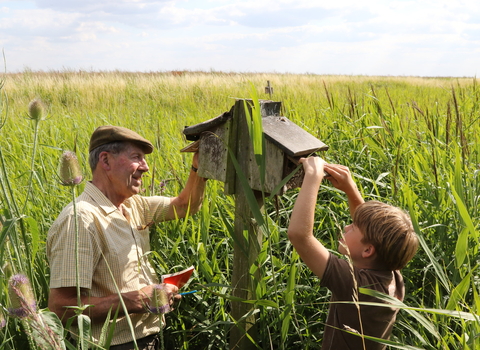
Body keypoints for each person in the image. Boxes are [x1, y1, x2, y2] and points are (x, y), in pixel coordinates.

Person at [47, 125, 207, 349]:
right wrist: (137, 300)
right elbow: (60, 308)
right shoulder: (80, 219)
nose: (146, 167)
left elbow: (184, 206)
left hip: (147, 339)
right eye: (136, 158)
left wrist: (198, 167)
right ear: (106, 161)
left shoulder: (133, 205)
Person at [287, 157, 418, 350]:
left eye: (353, 227)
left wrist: (313, 176)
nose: (347, 226)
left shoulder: (355, 285)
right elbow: (372, 234)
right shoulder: (392, 276)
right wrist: (351, 190)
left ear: (368, 251)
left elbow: (299, 235)